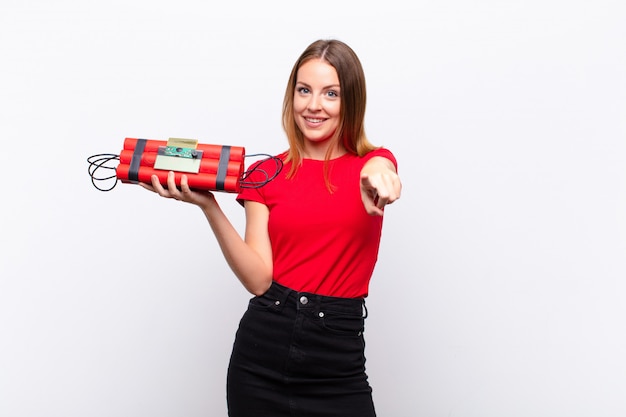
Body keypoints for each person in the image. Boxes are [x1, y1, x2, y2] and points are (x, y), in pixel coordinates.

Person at [140, 39, 401, 417]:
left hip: (336, 360)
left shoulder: (372, 164)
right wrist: (208, 205)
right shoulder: (265, 175)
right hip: (261, 354)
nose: (314, 105)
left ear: (352, 101)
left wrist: (382, 178)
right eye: (304, 90)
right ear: (291, 95)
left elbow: (383, 171)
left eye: (331, 93)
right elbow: (260, 279)